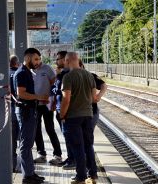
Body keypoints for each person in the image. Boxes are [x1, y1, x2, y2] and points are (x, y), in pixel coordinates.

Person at [60, 52, 97, 184]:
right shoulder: (89, 75)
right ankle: (93, 176)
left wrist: (62, 115)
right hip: (88, 115)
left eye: (65, 61)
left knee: (78, 147)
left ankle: (80, 177)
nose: (64, 63)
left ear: (68, 61)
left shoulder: (68, 77)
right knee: (88, 146)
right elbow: (94, 98)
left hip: (73, 117)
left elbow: (66, 99)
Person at [13, 48, 48, 184]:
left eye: (39, 59)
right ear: (28, 58)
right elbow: (21, 93)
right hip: (25, 112)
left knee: (29, 143)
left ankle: (30, 172)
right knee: (25, 144)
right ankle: (27, 176)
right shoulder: (21, 73)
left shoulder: (27, 72)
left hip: (29, 111)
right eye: (36, 59)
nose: (38, 62)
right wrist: (38, 96)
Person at [33, 59, 62, 165]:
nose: (36, 61)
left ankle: (58, 155)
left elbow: (55, 85)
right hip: (35, 104)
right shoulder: (30, 70)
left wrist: (54, 101)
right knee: (36, 130)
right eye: (34, 59)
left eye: (37, 58)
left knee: (50, 129)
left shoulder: (47, 68)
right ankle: (41, 154)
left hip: (47, 104)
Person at [51, 51, 76, 170]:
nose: (56, 61)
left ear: (65, 59)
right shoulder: (61, 74)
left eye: (58, 59)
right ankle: (70, 158)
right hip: (60, 109)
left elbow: (64, 94)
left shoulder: (67, 75)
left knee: (70, 137)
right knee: (66, 136)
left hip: (65, 111)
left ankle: (73, 160)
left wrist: (63, 113)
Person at [79, 60, 107, 130]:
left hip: (91, 111)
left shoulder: (91, 76)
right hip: (77, 113)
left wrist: (99, 96)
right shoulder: (69, 77)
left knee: (88, 136)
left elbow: (103, 85)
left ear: (81, 66)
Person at [9, 55, 20, 172]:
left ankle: (12, 165)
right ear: (17, 63)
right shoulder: (20, 73)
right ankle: (23, 165)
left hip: (8, 110)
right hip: (19, 109)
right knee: (22, 139)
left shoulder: (5, 74)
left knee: (12, 140)